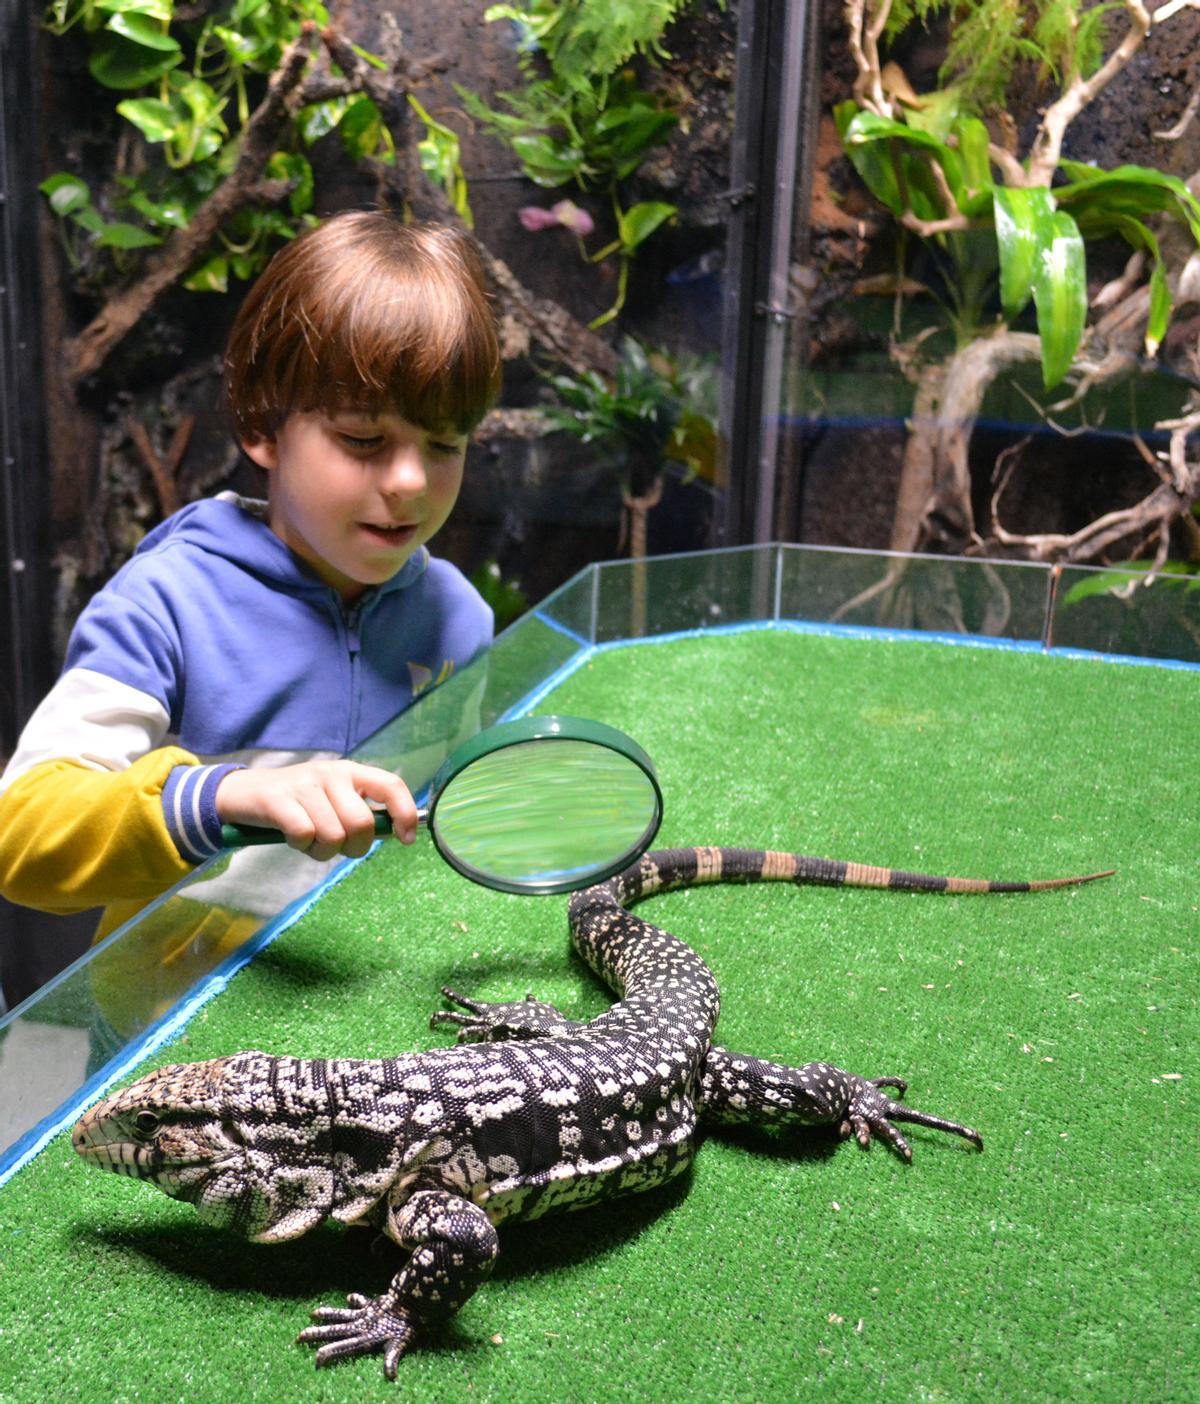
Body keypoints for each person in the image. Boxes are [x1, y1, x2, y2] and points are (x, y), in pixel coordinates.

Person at [0, 212, 502, 930]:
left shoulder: (459, 616)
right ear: (262, 427)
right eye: (363, 438)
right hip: (180, 993)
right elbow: (22, 837)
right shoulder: (166, 604)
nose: (410, 481)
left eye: (446, 443)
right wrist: (222, 798)